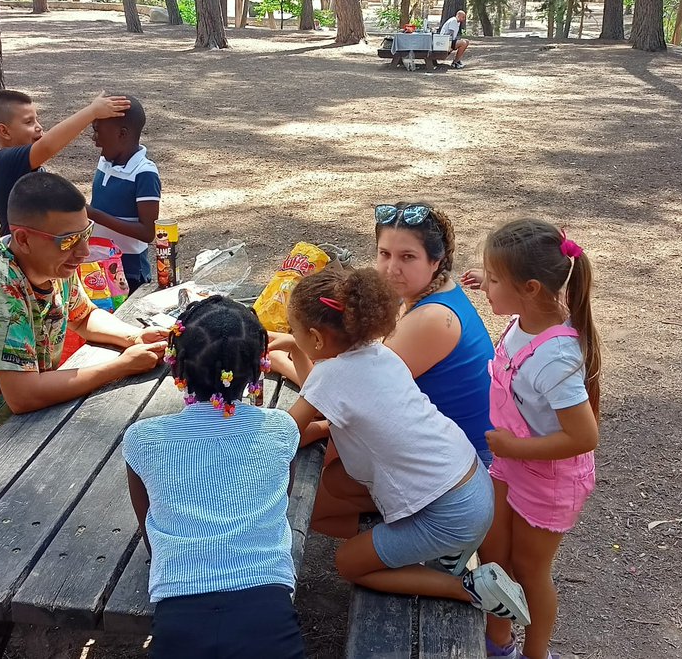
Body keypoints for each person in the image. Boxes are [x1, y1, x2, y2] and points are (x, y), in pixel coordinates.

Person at [284, 268, 531, 626]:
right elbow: (322, 396)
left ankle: (467, 587)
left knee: (348, 563)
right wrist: (296, 349)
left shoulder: (331, 375)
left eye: (295, 330)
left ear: (317, 339)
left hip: (451, 515)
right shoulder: (378, 353)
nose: (292, 335)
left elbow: (292, 431)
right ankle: (417, 545)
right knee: (335, 482)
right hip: (470, 481)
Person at [0, 173, 168, 494]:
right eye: (70, 240)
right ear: (24, 238)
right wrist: (122, 366)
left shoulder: (52, 264)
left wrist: (134, 338)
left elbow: (84, 316)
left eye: (86, 233)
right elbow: (25, 396)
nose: (84, 251)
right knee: (76, 486)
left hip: (12, 430)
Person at [269, 202, 494, 538]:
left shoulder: (431, 320)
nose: (391, 268)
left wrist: (285, 361)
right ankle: (391, 539)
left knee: (307, 493)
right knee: (328, 477)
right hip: (435, 454)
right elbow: (349, 385)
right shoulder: (429, 296)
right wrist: (296, 347)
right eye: (384, 253)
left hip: (444, 473)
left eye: (407, 257)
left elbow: (346, 390)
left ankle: (404, 545)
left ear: (437, 260)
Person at [124, 297, 305, 659]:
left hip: (179, 612)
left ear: (176, 367)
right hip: (267, 611)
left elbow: (149, 526)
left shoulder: (142, 439)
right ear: (260, 368)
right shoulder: (282, 429)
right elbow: (280, 496)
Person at [462, 219, 601, 659]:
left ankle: (535, 653)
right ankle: (497, 642)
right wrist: (492, 276)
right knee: (494, 555)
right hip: (512, 461)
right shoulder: (527, 314)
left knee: (529, 569)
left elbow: (583, 436)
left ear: (532, 288)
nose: (487, 289)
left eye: (495, 279)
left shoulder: (556, 357)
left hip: (548, 477)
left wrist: (514, 447)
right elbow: (512, 291)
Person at [0, 89, 130, 237]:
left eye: (36, 119)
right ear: (4, 131)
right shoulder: (4, 161)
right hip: (20, 254)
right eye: (28, 122)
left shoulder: (26, 164)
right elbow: (47, 146)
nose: (39, 127)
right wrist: (92, 112)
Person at [88, 96, 160, 293]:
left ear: (122, 134)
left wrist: (94, 215)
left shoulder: (144, 173)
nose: (94, 138)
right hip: (98, 260)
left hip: (129, 269)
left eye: (97, 131)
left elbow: (147, 232)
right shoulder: (105, 161)